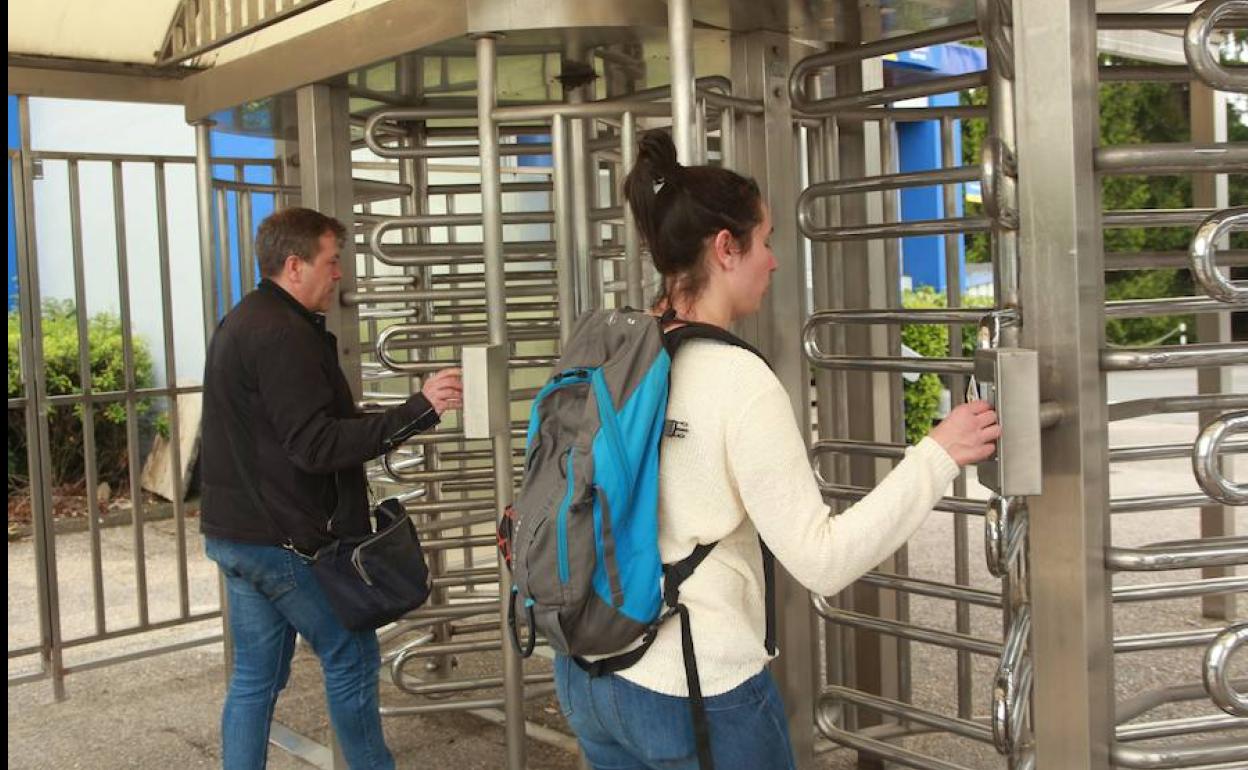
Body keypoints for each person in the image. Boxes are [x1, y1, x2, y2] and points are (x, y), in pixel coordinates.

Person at [551, 131, 1001, 770]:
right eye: (765, 240)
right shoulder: (738, 380)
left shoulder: (618, 351)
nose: (775, 260)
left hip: (587, 672)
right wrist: (937, 454)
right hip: (694, 689)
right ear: (725, 247)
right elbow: (822, 561)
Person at [198, 207, 462, 770]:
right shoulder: (282, 334)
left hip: (238, 535)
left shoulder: (244, 319)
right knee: (350, 656)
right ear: (295, 266)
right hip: (281, 543)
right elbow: (314, 446)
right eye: (331, 261)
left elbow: (293, 430)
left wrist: (406, 412)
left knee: (254, 680)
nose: (339, 273)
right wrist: (419, 409)